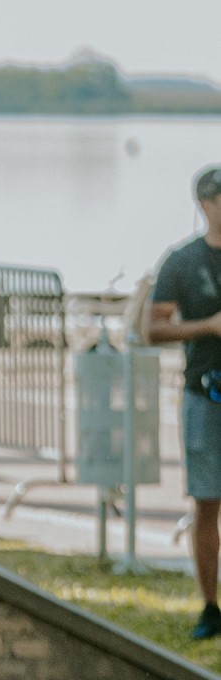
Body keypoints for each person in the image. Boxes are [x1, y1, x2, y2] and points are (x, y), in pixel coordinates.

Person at [149, 164, 221, 639]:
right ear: (204, 203)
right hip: (205, 394)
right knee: (207, 503)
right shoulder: (183, 260)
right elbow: (152, 328)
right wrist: (208, 326)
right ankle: (210, 607)